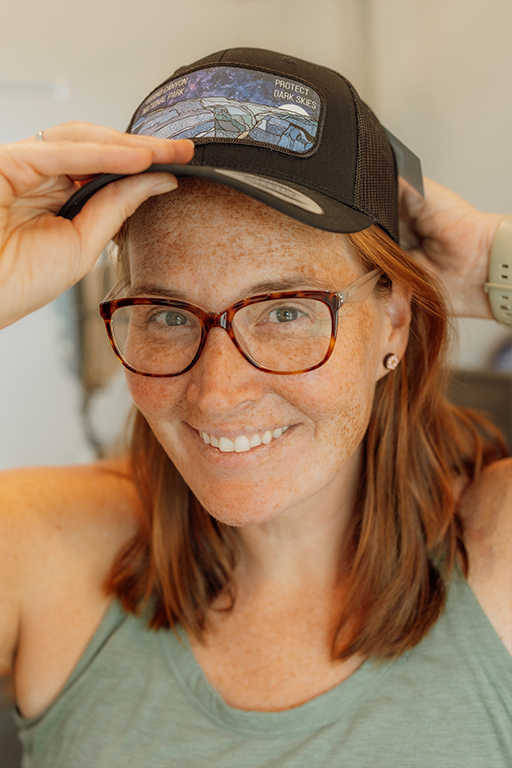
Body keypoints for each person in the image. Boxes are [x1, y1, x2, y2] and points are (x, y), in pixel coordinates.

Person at [0, 48, 510, 768]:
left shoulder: (496, 557)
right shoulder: (38, 545)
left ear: (393, 323)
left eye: (286, 312)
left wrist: (495, 258)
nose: (217, 392)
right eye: (169, 315)